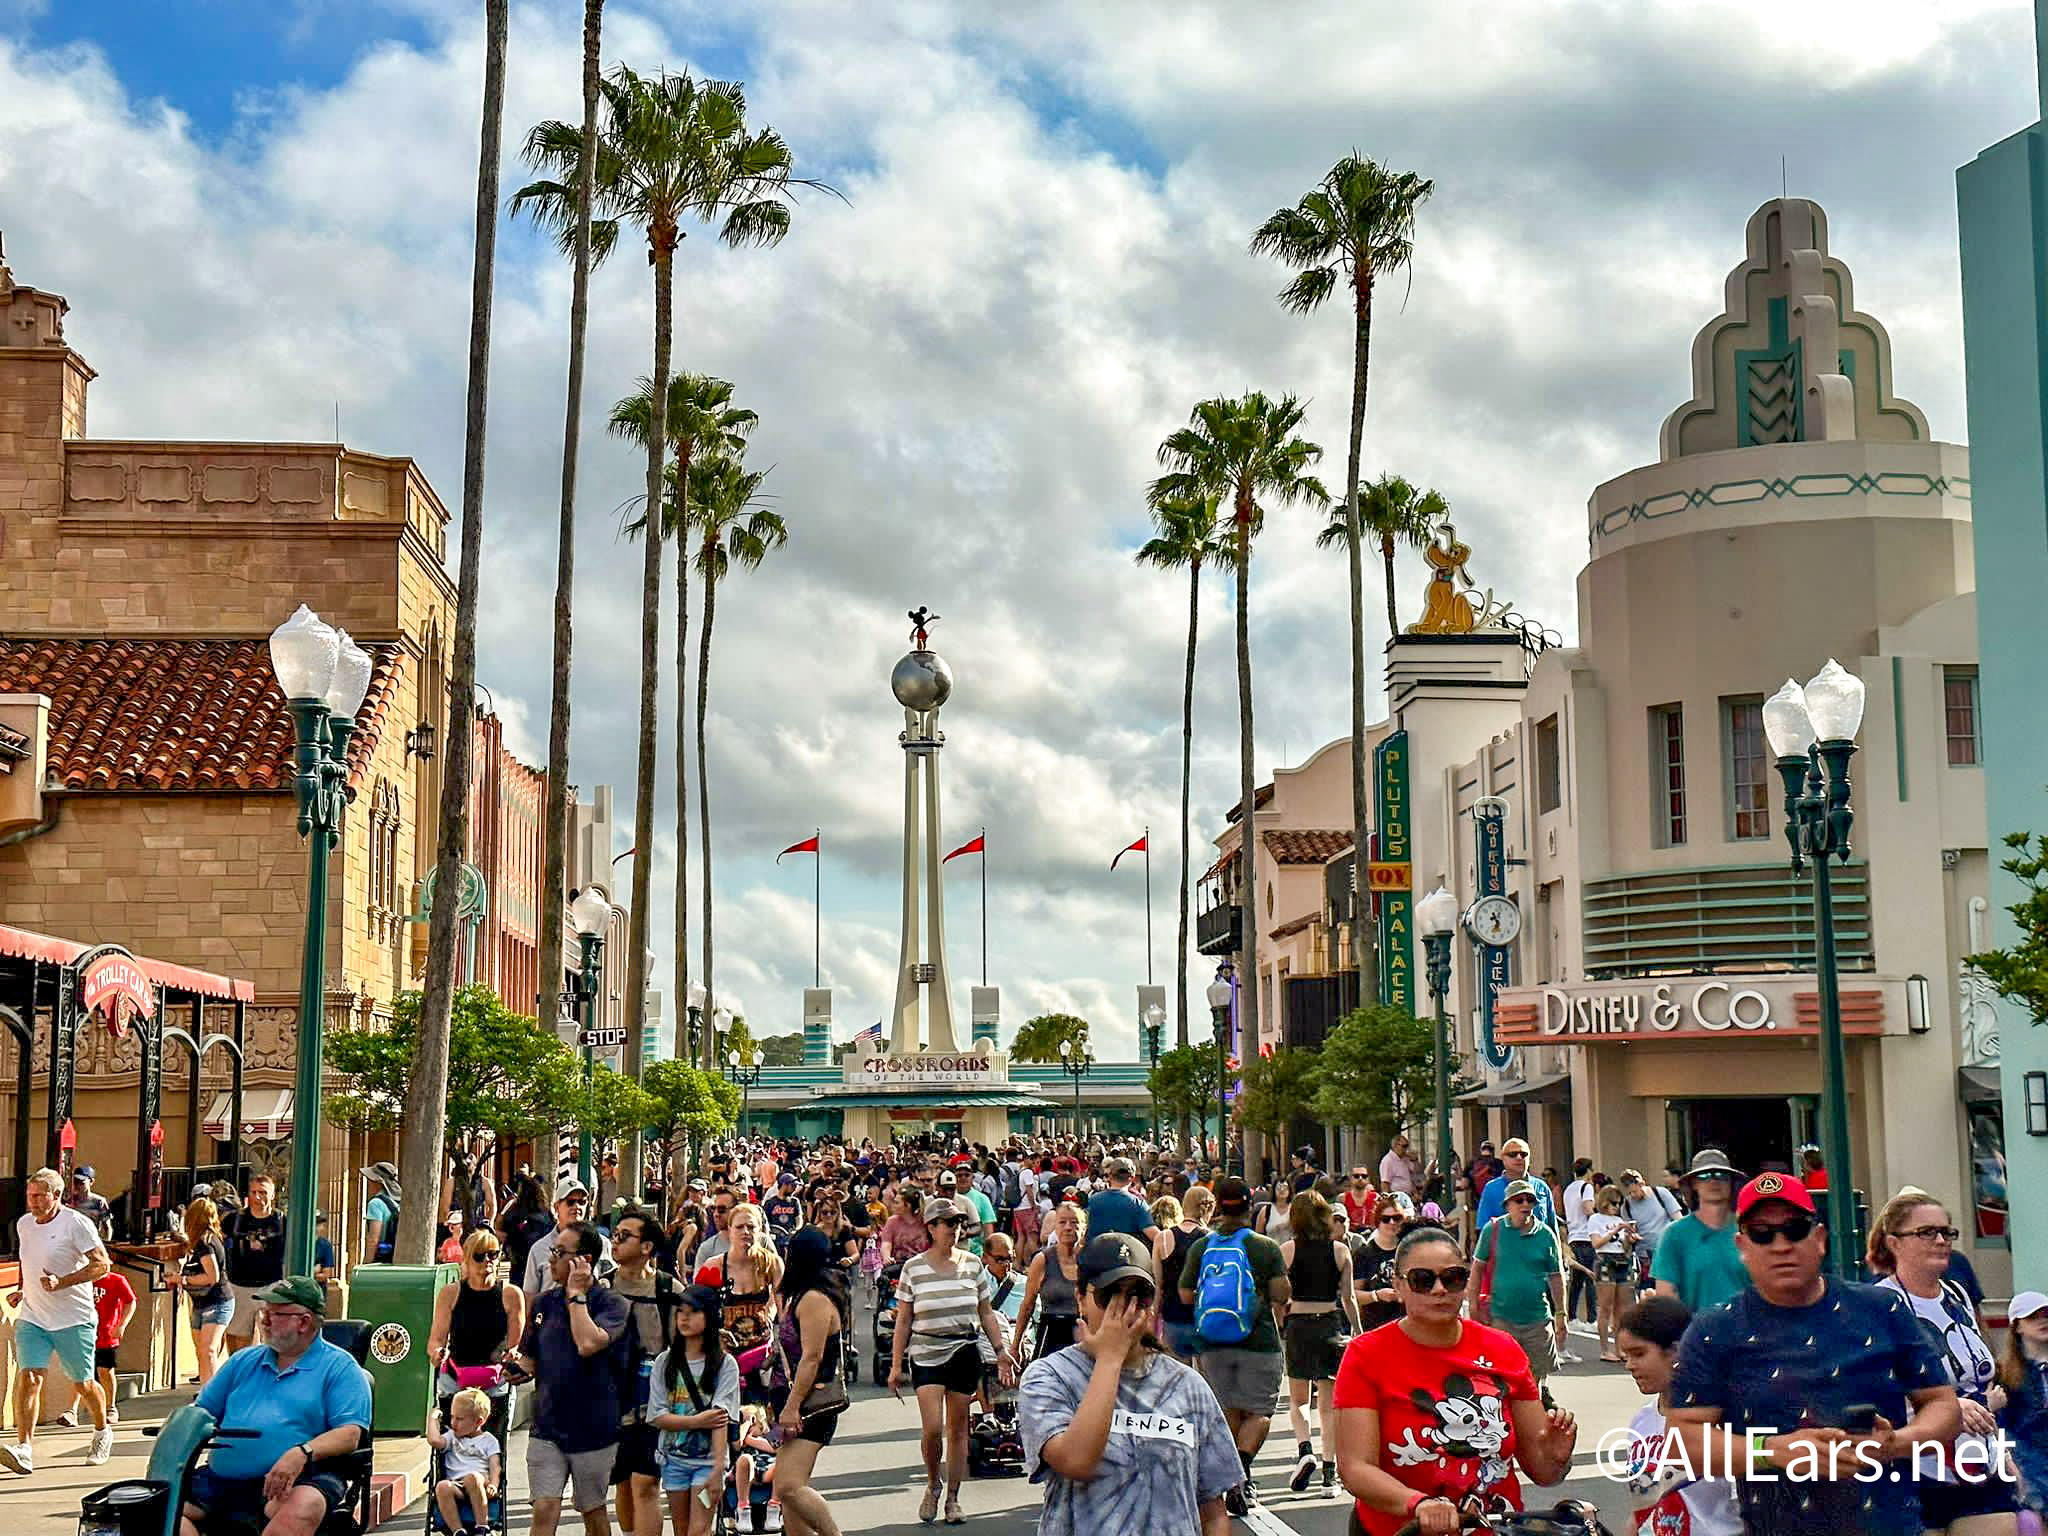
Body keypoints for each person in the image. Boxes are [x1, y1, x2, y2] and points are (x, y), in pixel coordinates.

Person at [1665, 1171, 1961, 1536]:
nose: (1780, 1245)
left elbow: (1944, 1406)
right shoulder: (1713, 1330)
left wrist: (1894, 1443)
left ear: (1819, 1239)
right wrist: (1772, 1451)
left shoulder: (1882, 1309)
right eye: (1763, 1234)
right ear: (1742, 1246)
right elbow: (1682, 1441)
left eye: (1795, 1229)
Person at [1330, 1224, 1578, 1534]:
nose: (1439, 1290)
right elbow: (1355, 1468)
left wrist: (1556, 1456)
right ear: (1398, 1284)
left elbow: (1543, 1472)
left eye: (1452, 1278)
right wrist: (1418, 1505)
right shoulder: (1365, 1355)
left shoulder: (1503, 1349)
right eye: (1422, 1280)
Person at [1018, 1230, 1237, 1535]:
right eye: (1108, 1295)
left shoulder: (1189, 1387)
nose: (1124, 1309)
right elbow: (1076, 1460)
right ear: (1080, 1298)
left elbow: (1212, 1510)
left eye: (1138, 1295)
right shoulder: (1049, 1377)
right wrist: (1109, 1359)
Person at [1867, 1190, 2017, 1534]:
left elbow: (1984, 1369)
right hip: (1915, 1467)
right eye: (1926, 1232)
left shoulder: (1956, 1294)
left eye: (1946, 1232)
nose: (1941, 1240)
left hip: (1979, 1462)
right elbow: (1871, 1387)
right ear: (1894, 1243)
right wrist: (1948, 1407)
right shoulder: (1877, 1303)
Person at [172, 1276, 369, 1536]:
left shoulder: (340, 1368)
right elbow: (200, 1412)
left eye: (274, 1314)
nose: (263, 1321)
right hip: (221, 1480)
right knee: (156, 1510)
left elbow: (349, 1434)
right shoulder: (243, 1361)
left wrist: (301, 1453)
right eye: (263, 1312)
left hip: (300, 1477)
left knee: (304, 1506)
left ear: (304, 1321)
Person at [890, 1198, 1017, 1524]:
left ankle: (953, 1499)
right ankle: (934, 1483)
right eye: (948, 1223)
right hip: (927, 1353)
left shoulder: (973, 1264)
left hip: (964, 1350)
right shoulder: (913, 1268)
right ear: (931, 1228)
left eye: (958, 1223)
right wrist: (894, 1365)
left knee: (958, 1429)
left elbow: (985, 1312)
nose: (955, 1229)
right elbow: (903, 1320)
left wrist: (1002, 1350)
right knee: (933, 1429)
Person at [1176, 1176, 1290, 1516]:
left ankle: (1232, 1477)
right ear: (1248, 1207)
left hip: (1212, 1342)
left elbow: (1184, 1294)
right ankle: (1242, 1471)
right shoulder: (1264, 1247)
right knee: (1259, 1411)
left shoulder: (1201, 1247)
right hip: (1260, 1340)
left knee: (1226, 1411)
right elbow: (1281, 1294)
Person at [517, 1222, 631, 1536]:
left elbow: (587, 1343)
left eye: (559, 1252)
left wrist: (577, 1296)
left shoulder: (612, 1304)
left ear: (585, 1260)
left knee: (592, 1512)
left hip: (593, 1429)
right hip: (547, 1426)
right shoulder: (542, 1303)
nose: (550, 1259)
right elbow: (529, 1358)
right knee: (544, 1508)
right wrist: (513, 1368)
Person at [2, 1167, 113, 1474]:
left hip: (73, 1318)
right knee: (29, 1377)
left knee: (84, 1383)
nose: (32, 1202)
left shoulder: (76, 1224)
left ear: (57, 1195)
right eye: (29, 1196)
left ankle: (102, 1431)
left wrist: (62, 1282)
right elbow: (30, 1261)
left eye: (39, 1196)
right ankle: (24, 1449)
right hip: (34, 1317)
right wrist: (23, 1290)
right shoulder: (24, 1224)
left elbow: (103, 1265)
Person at [1614, 1295, 1740, 1536]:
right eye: (1626, 1356)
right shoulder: (1641, 1421)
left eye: (1639, 1354)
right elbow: (1642, 1511)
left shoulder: (1723, 1419)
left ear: (1675, 1351)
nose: (1629, 1365)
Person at [1279, 1189, 1363, 1494]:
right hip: (1329, 1324)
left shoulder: (1287, 1250)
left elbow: (1280, 1296)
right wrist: (1358, 1330)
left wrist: (1280, 1322)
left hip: (1299, 1325)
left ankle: (1305, 1450)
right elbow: (1349, 1297)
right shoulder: (1340, 1251)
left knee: (1299, 1400)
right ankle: (1330, 1474)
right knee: (1328, 1405)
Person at [771, 1228, 850, 1536]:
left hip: (810, 1404)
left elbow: (812, 1359)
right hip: (789, 1400)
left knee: (788, 1486)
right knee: (790, 1496)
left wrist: (791, 1408)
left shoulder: (815, 1299)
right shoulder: (799, 1294)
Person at [647, 1284, 739, 1536]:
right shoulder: (664, 1362)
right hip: (673, 1460)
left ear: (709, 1317)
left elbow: (720, 1418)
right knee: (681, 1529)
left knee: (698, 1531)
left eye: (693, 1312)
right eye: (680, 1312)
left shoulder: (724, 1364)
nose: (684, 1318)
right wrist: (698, 1421)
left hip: (708, 1462)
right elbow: (657, 1416)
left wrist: (719, 1468)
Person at [609, 1208, 680, 1536]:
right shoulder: (602, 1289)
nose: (616, 1240)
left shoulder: (670, 1290)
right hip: (611, 1400)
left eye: (625, 1235)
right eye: (615, 1234)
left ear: (647, 1247)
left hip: (656, 1400)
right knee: (623, 1483)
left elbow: (687, 1349)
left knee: (647, 1482)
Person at [1469, 1179, 1568, 1395]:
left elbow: (1556, 1276)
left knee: (1535, 1379)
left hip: (1537, 1318)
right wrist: (1473, 1304)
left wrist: (1561, 1313)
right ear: (1508, 1205)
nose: (1525, 1204)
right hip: (1501, 1317)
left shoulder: (1545, 1235)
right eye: (1519, 1200)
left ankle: (1532, 1415)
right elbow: (1477, 1269)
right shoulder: (1492, 1230)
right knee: (1502, 1377)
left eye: (1530, 1200)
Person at [429, 1229, 524, 1449]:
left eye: (493, 1254)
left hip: (494, 1379)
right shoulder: (451, 1293)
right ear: (467, 1258)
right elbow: (436, 1339)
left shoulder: (511, 1295)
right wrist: (437, 1353)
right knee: (452, 1445)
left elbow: (516, 1342)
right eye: (480, 1256)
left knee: (492, 1447)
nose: (487, 1261)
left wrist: (514, 1354)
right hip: (457, 1376)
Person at [1651, 1147, 1749, 1312]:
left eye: (1721, 1175)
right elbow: (1666, 1297)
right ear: (1694, 1184)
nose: (1713, 1181)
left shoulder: (1752, 1230)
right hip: (1694, 1333)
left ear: (1732, 1183)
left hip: (1750, 1332)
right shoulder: (1674, 1235)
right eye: (1704, 1176)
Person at [696, 1203, 781, 1366]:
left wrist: (769, 1313)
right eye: (739, 1227)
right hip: (723, 1353)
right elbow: (697, 1307)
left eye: (751, 1227)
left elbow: (783, 1305)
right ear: (730, 1230)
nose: (746, 1232)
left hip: (761, 1353)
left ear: (760, 1231)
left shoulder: (772, 1264)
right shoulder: (714, 1266)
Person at [61, 1265, 137, 1432]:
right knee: (79, 1372)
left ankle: (111, 1407)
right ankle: (71, 1411)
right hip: (83, 1332)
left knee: (105, 1371)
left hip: (106, 1333)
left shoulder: (116, 1280)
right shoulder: (81, 1280)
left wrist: (121, 1325)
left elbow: (130, 1302)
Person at [1995, 1289, 2048, 1521]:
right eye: (2032, 1317)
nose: (2042, 1320)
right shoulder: (2004, 1372)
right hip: (2028, 1457)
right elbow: (2002, 1428)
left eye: (2045, 1314)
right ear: (2017, 1326)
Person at [222, 1175, 287, 1352]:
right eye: (254, 1192)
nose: (258, 1197)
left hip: (271, 1287)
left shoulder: (282, 1221)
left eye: (263, 1193)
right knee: (237, 1341)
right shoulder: (233, 1220)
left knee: (273, 1341)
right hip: (239, 1286)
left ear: (273, 1195)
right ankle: (241, 1376)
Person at [1014, 1201, 1086, 1359]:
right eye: (1062, 1222)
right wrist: (1016, 1345)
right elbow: (1028, 1304)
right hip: (1051, 1334)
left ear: (1083, 1227)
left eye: (1074, 1222)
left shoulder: (1090, 1261)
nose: (1068, 1227)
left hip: (1082, 1337)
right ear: (1055, 1228)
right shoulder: (1043, 1260)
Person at [426, 1388, 503, 1536]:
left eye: (460, 1419)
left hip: (481, 1485)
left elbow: (495, 1466)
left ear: (478, 1421)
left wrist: (494, 1484)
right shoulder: (451, 1437)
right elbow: (435, 1440)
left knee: (472, 1477)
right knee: (442, 1486)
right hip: (457, 1487)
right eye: (452, 1417)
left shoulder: (488, 1440)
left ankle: (482, 1526)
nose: (453, 1423)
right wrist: (433, 1419)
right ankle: (457, 1531)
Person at [175, 1195, 234, 1386]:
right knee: (202, 1351)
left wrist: (182, 1279)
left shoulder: (205, 1242)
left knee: (208, 1350)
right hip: (201, 1302)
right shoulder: (199, 1242)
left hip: (217, 1301)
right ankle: (205, 1392)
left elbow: (212, 1277)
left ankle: (212, 1395)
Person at [521, 1179, 612, 1299]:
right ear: (556, 1207)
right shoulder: (539, 1248)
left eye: (582, 1202)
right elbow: (529, 1296)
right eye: (570, 1202)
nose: (577, 1206)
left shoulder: (603, 1243)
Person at [1153, 1190, 1209, 1361]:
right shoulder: (1211, 1239)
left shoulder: (1163, 1238)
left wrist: (1154, 1316)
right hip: (1203, 1319)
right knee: (1205, 1383)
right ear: (1208, 1208)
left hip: (1173, 1318)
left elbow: (1158, 1284)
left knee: (1175, 1379)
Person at [1586, 1184, 1637, 1362]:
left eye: (1619, 1203)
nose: (1616, 1206)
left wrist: (1630, 1239)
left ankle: (1619, 1348)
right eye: (1614, 1203)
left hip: (1622, 1260)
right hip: (1605, 1260)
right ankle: (1604, 1349)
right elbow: (1596, 1243)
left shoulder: (1619, 1218)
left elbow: (1624, 1246)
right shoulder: (1595, 1219)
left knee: (1622, 1309)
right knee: (1606, 1307)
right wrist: (1616, 1230)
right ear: (1605, 1202)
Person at [1472, 1138, 1555, 1230]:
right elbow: (1483, 1228)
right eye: (1513, 1154)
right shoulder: (1491, 1189)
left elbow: (1552, 1227)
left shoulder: (1541, 1187)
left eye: (1523, 1154)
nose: (1519, 1157)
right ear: (1503, 1159)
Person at [1618, 1167, 1681, 1284]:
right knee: (1648, 1294)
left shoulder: (1661, 1194)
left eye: (1635, 1191)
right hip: (1645, 1257)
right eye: (1630, 1193)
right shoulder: (1626, 1206)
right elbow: (1627, 1235)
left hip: (1666, 1252)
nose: (1633, 1195)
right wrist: (1630, 1238)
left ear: (1642, 1183)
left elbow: (1679, 1221)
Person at [1353, 1199, 1407, 1332]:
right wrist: (1376, 1295)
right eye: (1386, 1219)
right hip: (1375, 1326)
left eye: (1397, 1218)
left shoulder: (1410, 1250)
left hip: (1407, 1324)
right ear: (1377, 1222)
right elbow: (1353, 1294)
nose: (1392, 1223)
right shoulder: (1364, 1253)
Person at [1084, 1157, 1159, 1247]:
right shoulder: (1138, 1204)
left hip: (1093, 1256)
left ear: (1110, 1176)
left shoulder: (1092, 1200)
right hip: (1126, 1257)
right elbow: (1155, 1236)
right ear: (1132, 1178)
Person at [1560, 1157, 1599, 1326]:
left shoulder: (1568, 1189)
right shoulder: (1587, 1187)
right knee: (1590, 1277)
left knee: (1576, 1279)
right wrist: (1598, 1216)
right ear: (1589, 1171)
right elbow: (1587, 1208)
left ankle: (1573, 1316)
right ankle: (1592, 1319)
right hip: (1586, 1235)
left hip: (1573, 1236)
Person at [497, 1174, 554, 1285]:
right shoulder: (547, 1214)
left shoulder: (515, 1213)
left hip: (519, 1266)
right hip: (543, 1263)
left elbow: (502, 1232)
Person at [878, 1187, 932, 1266]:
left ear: (908, 1205)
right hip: (898, 1265)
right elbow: (886, 1242)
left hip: (922, 1264)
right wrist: (886, 1257)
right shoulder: (891, 1221)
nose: (893, 1205)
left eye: (897, 1203)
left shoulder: (925, 1222)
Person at [363, 1161, 402, 1265]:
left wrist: (367, 1264)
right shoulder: (400, 1200)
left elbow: (374, 1239)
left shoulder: (375, 1204)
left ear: (377, 1182)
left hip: (382, 1259)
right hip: (398, 1257)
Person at [65, 1165, 114, 1239]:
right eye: (75, 1182)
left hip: (91, 1241)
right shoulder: (69, 1201)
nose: (78, 1185)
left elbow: (107, 1227)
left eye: (81, 1182)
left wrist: (107, 1244)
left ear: (91, 1181)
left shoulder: (99, 1202)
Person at [1379, 1134, 1420, 1201]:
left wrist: (1414, 1160)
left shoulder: (1405, 1159)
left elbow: (1416, 1171)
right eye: (1404, 1146)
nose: (1406, 1149)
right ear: (1395, 1146)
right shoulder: (1388, 1161)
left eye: (1407, 1146)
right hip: (1396, 1197)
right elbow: (1385, 1184)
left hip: (1408, 1196)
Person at [1340, 1168, 1378, 1232]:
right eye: (1356, 1176)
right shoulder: (1342, 1198)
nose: (1360, 1178)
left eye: (1364, 1176)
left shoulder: (1375, 1197)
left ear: (1368, 1179)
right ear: (1351, 1179)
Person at [313, 1214, 337, 1286]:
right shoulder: (295, 1242)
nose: (319, 1227)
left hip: (318, 1289)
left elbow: (325, 1275)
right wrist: (314, 1271)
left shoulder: (325, 1245)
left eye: (320, 1225)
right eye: (317, 1224)